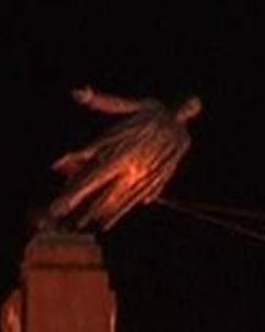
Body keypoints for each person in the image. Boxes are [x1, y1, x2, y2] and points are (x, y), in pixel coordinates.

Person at [46, 86, 202, 231]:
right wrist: (92, 99)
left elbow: (169, 166)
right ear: (180, 100)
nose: (188, 106)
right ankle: (52, 214)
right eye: (188, 101)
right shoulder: (154, 108)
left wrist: (155, 188)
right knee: (86, 184)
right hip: (120, 156)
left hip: (138, 174)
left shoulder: (182, 139)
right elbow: (120, 105)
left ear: (194, 114)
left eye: (193, 106)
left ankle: (73, 227)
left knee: (103, 203)